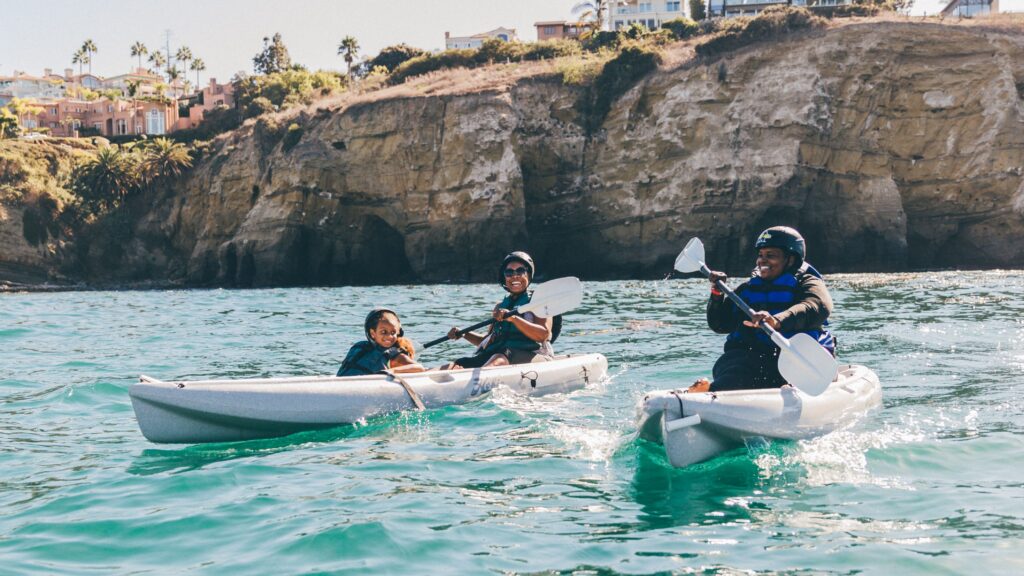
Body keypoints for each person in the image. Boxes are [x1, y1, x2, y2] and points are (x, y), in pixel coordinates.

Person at [691, 226, 835, 392]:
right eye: (760, 255)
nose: (762, 261)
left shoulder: (807, 282)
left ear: (791, 259)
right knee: (733, 365)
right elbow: (720, 325)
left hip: (794, 358)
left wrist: (777, 320)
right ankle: (712, 393)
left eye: (771, 255)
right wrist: (717, 295)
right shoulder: (748, 288)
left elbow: (818, 306)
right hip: (755, 360)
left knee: (782, 374)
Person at [442, 251, 555, 369]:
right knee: (460, 363)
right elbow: (487, 341)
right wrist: (464, 334)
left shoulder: (539, 301)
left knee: (500, 356)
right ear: (504, 277)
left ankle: (475, 382)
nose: (515, 276)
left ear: (528, 274)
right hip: (499, 356)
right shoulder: (499, 307)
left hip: (534, 357)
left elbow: (543, 335)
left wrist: (514, 319)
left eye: (520, 271)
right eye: (509, 272)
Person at [337, 308, 424, 376]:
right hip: (344, 385)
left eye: (393, 333)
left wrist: (390, 372)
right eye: (383, 332)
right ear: (372, 333)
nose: (389, 336)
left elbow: (419, 368)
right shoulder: (358, 347)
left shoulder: (393, 354)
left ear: (398, 333)